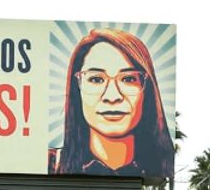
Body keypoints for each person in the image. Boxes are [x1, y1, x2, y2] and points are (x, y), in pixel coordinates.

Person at [49, 28, 174, 177]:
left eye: (128, 79)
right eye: (96, 79)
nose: (112, 96)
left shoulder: (164, 166)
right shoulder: (49, 163)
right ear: (78, 89)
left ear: (147, 90)